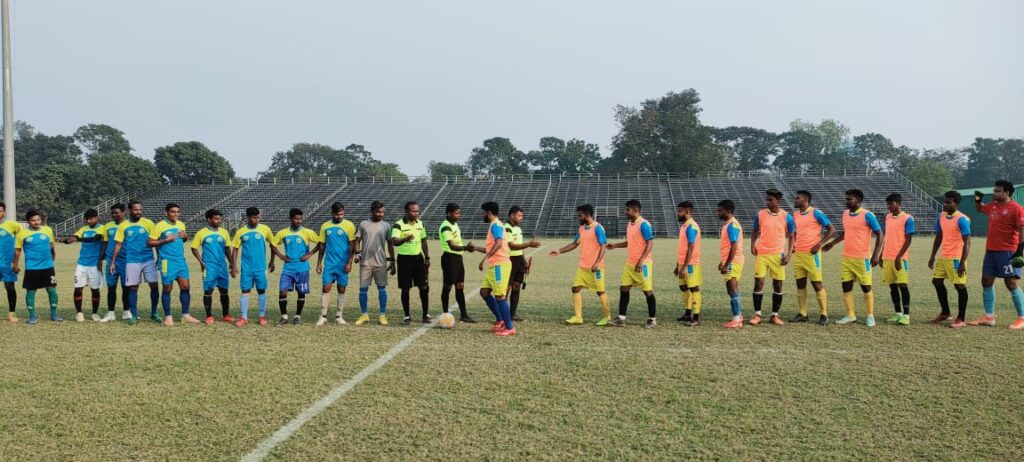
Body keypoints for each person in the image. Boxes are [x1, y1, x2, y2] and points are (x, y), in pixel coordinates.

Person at [822, 189, 884, 327]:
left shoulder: (868, 215)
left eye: (850, 199)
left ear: (858, 200)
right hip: (847, 258)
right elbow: (846, 232)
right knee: (846, 287)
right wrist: (832, 243)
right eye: (847, 199)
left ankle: (870, 315)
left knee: (866, 287)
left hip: (862, 259)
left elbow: (880, 234)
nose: (847, 201)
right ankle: (850, 315)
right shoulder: (845, 214)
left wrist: (876, 255)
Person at [970, 179, 1024, 329]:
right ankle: (989, 317)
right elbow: (980, 208)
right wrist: (978, 199)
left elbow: (1022, 231)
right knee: (986, 281)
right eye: (994, 190)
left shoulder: (1017, 209)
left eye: (997, 191)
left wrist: (1020, 252)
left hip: (1008, 251)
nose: (994, 193)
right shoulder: (993, 205)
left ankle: (1022, 317)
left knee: (1011, 283)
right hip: (991, 250)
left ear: (1006, 193)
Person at [550, 204, 611, 326]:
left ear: (587, 215)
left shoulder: (598, 228)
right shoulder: (582, 228)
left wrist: (597, 262)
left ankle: (607, 317)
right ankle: (578, 317)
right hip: (583, 267)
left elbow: (603, 246)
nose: (578, 218)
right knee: (575, 288)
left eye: (580, 215)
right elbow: (574, 244)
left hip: (596, 268)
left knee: (600, 291)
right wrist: (559, 251)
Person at [605, 200, 657, 328]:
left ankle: (652, 319)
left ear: (635, 210)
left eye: (627, 210)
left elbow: (650, 243)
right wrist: (615, 245)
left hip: (643, 264)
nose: (625, 212)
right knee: (624, 288)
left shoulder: (644, 224)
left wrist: (641, 260)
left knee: (647, 291)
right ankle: (621, 318)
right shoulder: (630, 224)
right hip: (630, 263)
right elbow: (630, 242)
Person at [749, 189, 795, 326]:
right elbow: (754, 231)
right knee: (758, 283)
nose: (767, 202)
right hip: (762, 254)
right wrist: (753, 245)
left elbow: (792, 236)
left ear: (778, 201)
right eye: (767, 200)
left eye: (770, 200)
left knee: (778, 284)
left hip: (778, 255)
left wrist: (789, 254)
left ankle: (774, 315)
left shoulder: (787, 217)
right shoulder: (760, 214)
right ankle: (757, 314)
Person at [111, 200, 160, 325]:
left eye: (140, 209)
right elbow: (118, 245)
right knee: (133, 287)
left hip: (148, 259)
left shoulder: (148, 223)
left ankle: (154, 313)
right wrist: (112, 262)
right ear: (129, 211)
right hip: (132, 261)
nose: (138, 212)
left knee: (154, 285)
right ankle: (134, 315)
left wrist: (158, 257)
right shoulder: (123, 226)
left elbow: (155, 241)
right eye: (135, 209)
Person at [790, 191, 834, 326]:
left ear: (805, 199)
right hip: (798, 254)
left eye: (798, 198)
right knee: (800, 284)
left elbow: (831, 230)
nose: (795, 200)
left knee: (816, 283)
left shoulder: (816, 213)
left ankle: (824, 314)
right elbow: (796, 233)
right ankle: (803, 313)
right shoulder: (796, 215)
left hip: (812, 254)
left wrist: (819, 244)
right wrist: (793, 246)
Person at [928, 191, 971, 328]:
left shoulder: (962, 219)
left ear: (956, 203)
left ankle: (961, 318)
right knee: (937, 282)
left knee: (959, 286)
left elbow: (967, 242)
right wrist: (932, 256)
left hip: (956, 258)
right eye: (944, 201)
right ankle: (946, 313)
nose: (945, 204)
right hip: (943, 256)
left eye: (948, 202)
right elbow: (939, 236)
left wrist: (963, 262)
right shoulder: (941, 216)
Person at [149, 203, 196, 326]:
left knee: (185, 287)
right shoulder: (159, 226)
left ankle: (186, 315)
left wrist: (185, 236)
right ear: (166, 213)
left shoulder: (181, 224)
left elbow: (182, 239)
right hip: (167, 261)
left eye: (177, 212)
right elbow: (149, 242)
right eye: (172, 212)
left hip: (180, 260)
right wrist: (165, 240)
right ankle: (168, 317)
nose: (175, 214)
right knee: (167, 288)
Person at [271, 208, 319, 325]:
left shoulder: (307, 232)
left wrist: (310, 254)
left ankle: (297, 316)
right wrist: (281, 256)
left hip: (302, 268)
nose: (299, 221)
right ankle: (284, 317)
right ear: (290, 219)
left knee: (301, 292)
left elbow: (321, 242)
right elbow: (272, 244)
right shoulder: (283, 233)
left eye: (300, 219)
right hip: (288, 268)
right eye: (296, 219)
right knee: (282, 291)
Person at [231, 207, 276, 326]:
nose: (256, 220)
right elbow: (235, 248)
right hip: (246, 268)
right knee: (245, 291)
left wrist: (272, 261)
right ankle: (244, 317)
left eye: (258, 217)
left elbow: (273, 245)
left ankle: (262, 316)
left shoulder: (265, 229)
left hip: (260, 267)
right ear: (248, 218)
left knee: (261, 290)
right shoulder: (241, 231)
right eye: (254, 218)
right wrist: (233, 265)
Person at [13, 209, 58, 324]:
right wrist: (15, 265)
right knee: (31, 292)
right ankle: (32, 317)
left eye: (38, 220)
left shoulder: (48, 230)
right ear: (28, 221)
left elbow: (51, 245)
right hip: (32, 268)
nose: (36, 222)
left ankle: (54, 315)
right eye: (33, 220)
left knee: (52, 290)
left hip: (47, 267)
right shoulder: (22, 234)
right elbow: (17, 251)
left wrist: (53, 257)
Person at [354, 201, 394, 326]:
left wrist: (392, 260)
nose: (381, 214)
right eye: (378, 212)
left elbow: (390, 244)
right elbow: (357, 241)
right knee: (363, 289)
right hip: (365, 262)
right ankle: (364, 314)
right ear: (372, 211)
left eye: (382, 212)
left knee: (382, 288)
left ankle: (382, 315)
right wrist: (357, 253)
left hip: (380, 262)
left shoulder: (386, 226)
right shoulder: (363, 224)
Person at [191, 209, 234, 325]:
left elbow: (227, 249)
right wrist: (201, 261)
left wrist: (232, 264)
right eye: (216, 219)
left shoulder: (224, 232)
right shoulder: (202, 233)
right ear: (209, 219)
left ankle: (226, 315)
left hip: (222, 266)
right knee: (208, 291)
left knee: (224, 291)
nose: (218, 221)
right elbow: (193, 248)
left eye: (220, 219)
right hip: (209, 267)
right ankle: (209, 316)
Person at [316, 202, 356, 326]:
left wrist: (349, 262)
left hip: (343, 264)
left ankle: (339, 316)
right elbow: (322, 245)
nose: (340, 216)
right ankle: (323, 316)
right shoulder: (325, 226)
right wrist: (319, 263)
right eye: (338, 214)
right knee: (326, 288)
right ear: (332, 213)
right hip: (329, 264)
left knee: (341, 288)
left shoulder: (349, 225)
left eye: (342, 214)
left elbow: (352, 245)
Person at [478, 201, 515, 336]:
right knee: (484, 292)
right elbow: (491, 246)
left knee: (500, 296)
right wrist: (476, 248)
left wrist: (484, 259)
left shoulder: (496, 225)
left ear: (488, 212)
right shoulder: (494, 225)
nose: (482, 215)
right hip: (494, 265)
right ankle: (500, 320)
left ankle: (509, 327)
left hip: (500, 265)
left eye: (483, 212)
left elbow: (499, 243)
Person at [391, 201, 431, 325]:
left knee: (424, 287)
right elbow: (394, 242)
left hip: (418, 259)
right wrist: (405, 239)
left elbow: (424, 241)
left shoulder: (420, 224)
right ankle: (407, 316)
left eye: (417, 211)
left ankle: (425, 314)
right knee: (405, 289)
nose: (416, 213)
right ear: (407, 212)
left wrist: (427, 257)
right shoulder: (398, 225)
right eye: (414, 211)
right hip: (404, 260)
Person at [62, 208, 105, 322]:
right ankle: (79, 312)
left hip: (94, 264)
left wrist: (79, 239)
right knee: (78, 288)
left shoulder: (102, 228)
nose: (89, 221)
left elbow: (95, 239)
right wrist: (68, 240)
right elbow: (75, 237)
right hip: (82, 264)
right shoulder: (83, 229)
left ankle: (94, 313)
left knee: (95, 290)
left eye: (92, 218)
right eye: (87, 219)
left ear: (97, 217)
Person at [438, 203, 476, 323]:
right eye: (456, 213)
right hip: (450, 258)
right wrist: (466, 248)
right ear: (449, 213)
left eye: (459, 213)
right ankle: (445, 314)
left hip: (458, 259)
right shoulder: (446, 227)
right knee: (447, 287)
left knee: (460, 286)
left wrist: (464, 249)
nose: (459, 215)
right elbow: (452, 246)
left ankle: (464, 315)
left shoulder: (454, 224)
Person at [881, 193, 915, 325]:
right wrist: (880, 255)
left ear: (898, 204)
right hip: (887, 257)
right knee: (892, 286)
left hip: (900, 258)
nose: (889, 206)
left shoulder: (908, 218)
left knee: (903, 285)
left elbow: (908, 239)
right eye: (888, 204)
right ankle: (898, 313)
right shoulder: (888, 217)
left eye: (891, 203)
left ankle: (906, 315)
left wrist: (899, 256)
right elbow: (887, 237)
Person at [505, 206, 540, 321]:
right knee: (506, 288)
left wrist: (524, 262)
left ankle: (512, 314)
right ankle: (502, 315)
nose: (521, 218)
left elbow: (519, 248)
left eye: (522, 216)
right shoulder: (506, 228)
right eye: (519, 215)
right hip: (509, 260)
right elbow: (512, 246)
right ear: (511, 215)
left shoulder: (518, 229)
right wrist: (529, 244)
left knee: (516, 286)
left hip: (518, 260)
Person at [674, 201, 703, 327]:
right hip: (683, 263)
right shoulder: (684, 226)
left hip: (691, 264)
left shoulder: (691, 226)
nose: (678, 213)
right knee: (683, 288)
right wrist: (678, 265)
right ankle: (687, 313)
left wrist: (685, 266)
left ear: (688, 211)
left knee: (694, 288)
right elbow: (683, 248)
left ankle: (695, 317)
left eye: (680, 211)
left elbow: (691, 247)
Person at [719, 200, 746, 329]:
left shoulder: (732, 225)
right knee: (733, 288)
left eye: (720, 210)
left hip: (734, 262)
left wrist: (727, 264)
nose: (718, 213)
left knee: (732, 288)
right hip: (731, 261)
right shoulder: (728, 224)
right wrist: (722, 262)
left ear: (728, 211)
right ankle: (738, 315)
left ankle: (736, 319)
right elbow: (728, 246)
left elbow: (734, 245)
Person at [100, 204, 129, 322]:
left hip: (126, 261)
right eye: (112, 213)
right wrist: (100, 259)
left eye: (117, 213)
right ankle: (111, 313)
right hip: (111, 261)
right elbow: (105, 243)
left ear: (123, 212)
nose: (114, 215)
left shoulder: (129, 225)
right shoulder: (107, 226)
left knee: (126, 287)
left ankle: (126, 312)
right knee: (111, 288)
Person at [0, 201, 21, 323]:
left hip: (6, 264)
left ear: (4, 212)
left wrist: (16, 264)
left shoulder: (12, 225)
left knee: (10, 287)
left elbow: (23, 237)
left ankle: (11, 314)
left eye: (0, 210)